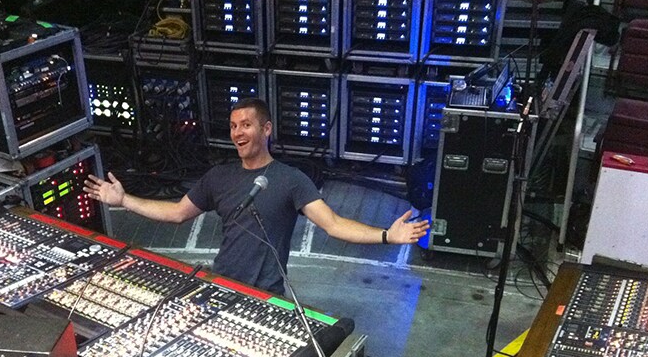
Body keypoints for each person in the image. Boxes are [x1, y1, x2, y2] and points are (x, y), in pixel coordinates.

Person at [84, 98, 429, 296]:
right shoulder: (218, 176)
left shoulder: (290, 180)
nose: (237, 132)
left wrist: (387, 235)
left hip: (266, 293)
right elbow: (177, 213)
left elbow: (334, 224)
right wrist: (124, 200)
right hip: (220, 285)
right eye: (233, 126)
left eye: (246, 125)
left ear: (266, 130)